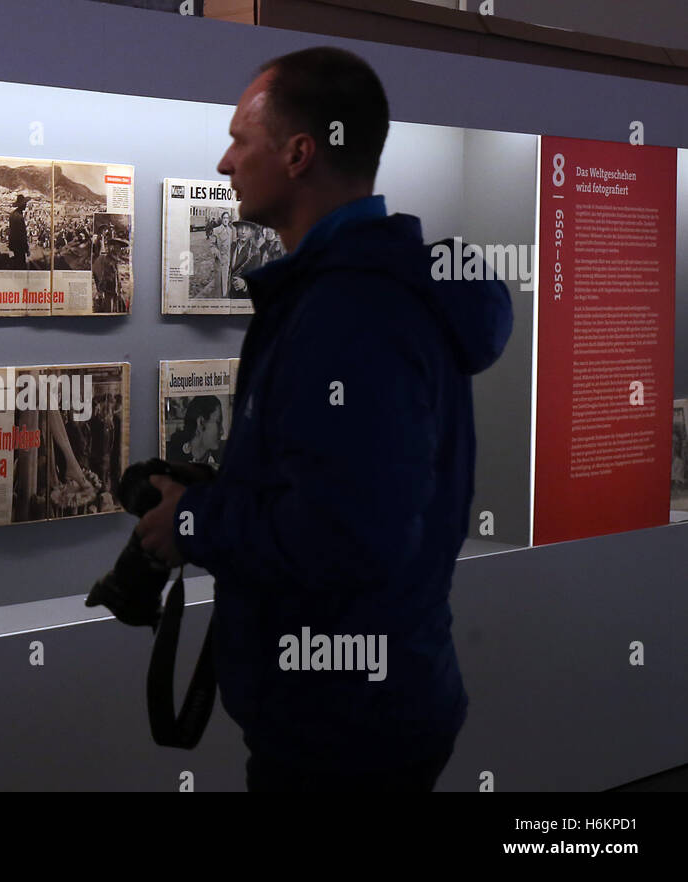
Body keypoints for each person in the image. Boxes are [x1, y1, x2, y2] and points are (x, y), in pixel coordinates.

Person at [135, 47, 512, 792]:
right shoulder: (364, 292)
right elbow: (347, 489)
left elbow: (348, 534)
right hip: (370, 704)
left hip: (342, 732)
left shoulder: (349, 311)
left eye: (242, 140)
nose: (223, 162)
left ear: (301, 153)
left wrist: (193, 526)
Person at [166, 395, 224, 466]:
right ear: (201, 423)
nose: (222, 431)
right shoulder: (172, 455)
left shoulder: (223, 457)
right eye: (218, 422)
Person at [8, 194, 30, 269]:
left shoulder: (12, 214)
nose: (26, 206)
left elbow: (11, 230)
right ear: (22, 205)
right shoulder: (19, 217)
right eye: (25, 204)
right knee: (21, 263)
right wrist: (26, 248)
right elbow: (22, 234)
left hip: (13, 243)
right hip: (19, 245)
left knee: (17, 262)